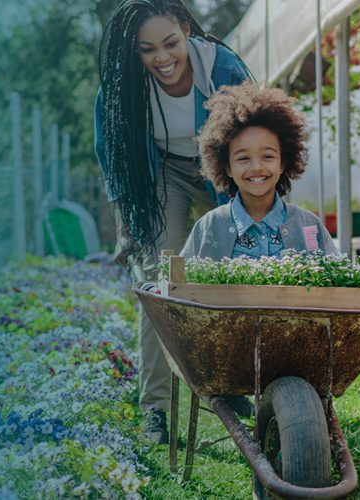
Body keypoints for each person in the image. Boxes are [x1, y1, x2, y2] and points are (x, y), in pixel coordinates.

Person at [94, 0, 253, 444]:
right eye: (148, 50)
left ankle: (229, 382)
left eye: (170, 43)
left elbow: (258, 132)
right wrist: (126, 220)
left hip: (221, 169)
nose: (162, 58)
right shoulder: (124, 84)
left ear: (187, 30)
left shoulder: (221, 67)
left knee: (235, 269)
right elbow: (111, 154)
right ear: (135, 51)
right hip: (163, 173)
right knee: (162, 281)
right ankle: (155, 409)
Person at [182, 81, 338, 264]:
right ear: (227, 167)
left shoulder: (309, 225)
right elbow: (178, 284)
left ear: (283, 163)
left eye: (267, 156)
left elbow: (335, 281)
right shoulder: (209, 227)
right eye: (243, 158)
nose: (256, 167)